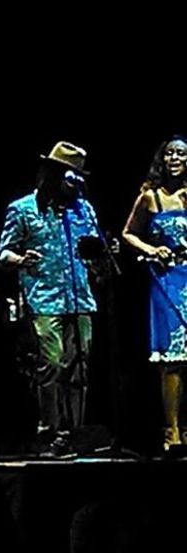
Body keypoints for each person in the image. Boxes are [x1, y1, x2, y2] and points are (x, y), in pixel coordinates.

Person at [0, 141, 103, 455]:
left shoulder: (84, 209)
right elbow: (3, 253)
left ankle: (75, 432)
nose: (72, 181)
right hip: (43, 298)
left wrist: (102, 260)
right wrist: (19, 259)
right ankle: (50, 430)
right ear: (54, 174)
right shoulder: (24, 208)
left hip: (80, 298)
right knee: (52, 364)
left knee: (80, 368)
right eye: (68, 174)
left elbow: (95, 252)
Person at [121, 135, 187, 449]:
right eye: (170, 153)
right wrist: (151, 248)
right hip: (167, 280)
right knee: (173, 359)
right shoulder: (151, 197)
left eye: (182, 154)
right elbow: (128, 233)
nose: (175, 158)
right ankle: (171, 430)